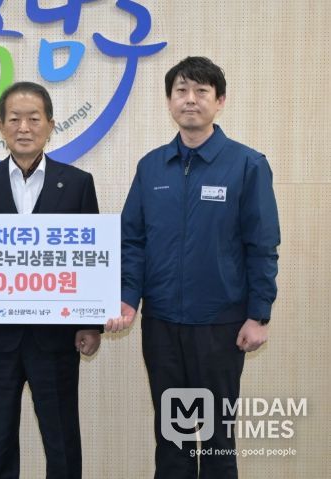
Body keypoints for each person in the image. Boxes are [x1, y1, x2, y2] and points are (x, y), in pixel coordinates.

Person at [117, 57, 280, 478]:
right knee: (172, 437)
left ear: (220, 101)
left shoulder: (247, 165)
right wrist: (127, 298)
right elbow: (132, 240)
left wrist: (259, 315)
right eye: (181, 91)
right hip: (162, 325)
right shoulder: (151, 167)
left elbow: (262, 246)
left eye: (201, 91)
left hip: (220, 326)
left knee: (217, 439)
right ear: (169, 101)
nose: (190, 99)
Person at [0, 81, 102, 479]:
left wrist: (90, 322)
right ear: (1, 127)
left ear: (50, 126)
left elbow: (90, 259)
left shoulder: (78, 183)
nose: (24, 127)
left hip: (56, 336)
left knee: (61, 437)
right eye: (14, 119)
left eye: (34, 119)